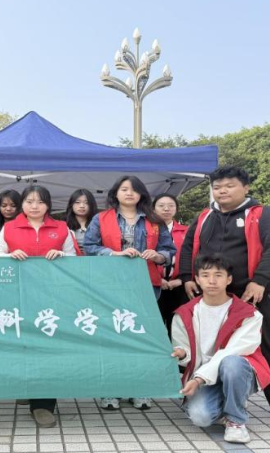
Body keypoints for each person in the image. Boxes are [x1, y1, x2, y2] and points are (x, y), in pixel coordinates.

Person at [177, 165, 270, 426]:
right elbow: (188, 247)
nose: (222, 191)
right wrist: (188, 276)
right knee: (209, 346)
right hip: (214, 295)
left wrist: (260, 280)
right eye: (217, 187)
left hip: (254, 294)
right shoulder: (205, 217)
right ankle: (211, 397)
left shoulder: (262, 214)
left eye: (229, 186)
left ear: (245, 188)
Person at [82, 175, 176, 411]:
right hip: (109, 285)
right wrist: (114, 254)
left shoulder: (154, 220)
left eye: (134, 189)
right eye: (124, 189)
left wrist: (158, 256)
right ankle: (111, 387)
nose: (129, 193)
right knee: (112, 335)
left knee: (141, 335)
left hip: (146, 284)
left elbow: (169, 250)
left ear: (141, 194)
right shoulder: (101, 218)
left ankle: (139, 387)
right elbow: (89, 247)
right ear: (116, 193)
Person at [0, 185, 76, 428]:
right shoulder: (9, 228)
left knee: (48, 346)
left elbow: (74, 259)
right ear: (22, 204)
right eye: (29, 201)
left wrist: (62, 256)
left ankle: (43, 404)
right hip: (16, 295)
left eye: (40, 202)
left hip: (53, 297)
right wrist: (9, 256)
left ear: (48, 205)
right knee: (22, 343)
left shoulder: (62, 228)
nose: (34, 206)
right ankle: (26, 386)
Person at [171, 253, 270, 444]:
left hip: (235, 371)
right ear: (197, 279)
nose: (212, 281)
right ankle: (229, 400)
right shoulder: (184, 314)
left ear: (229, 279)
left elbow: (234, 350)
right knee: (200, 417)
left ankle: (236, 420)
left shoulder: (249, 314)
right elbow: (185, 351)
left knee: (232, 363)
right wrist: (182, 353)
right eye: (205, 275)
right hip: (204, 377)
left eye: (218, 275)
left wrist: (199, 379)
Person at [152, 193, 189, 335]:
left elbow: (193, 257)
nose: (166, 209)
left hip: (179, 285)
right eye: (161, 206)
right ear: (154, 209)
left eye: (171, 205)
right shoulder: (147, 231)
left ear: (176, 209)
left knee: (178, 325)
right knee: (155, 325)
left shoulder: (186, 232)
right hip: (154, 285)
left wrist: (182, 279)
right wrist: (156, 279)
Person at [65, 189, 99, 255]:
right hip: (71, 259)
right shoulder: (63, 225)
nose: (82, 206)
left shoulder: (99, 224)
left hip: (94, 259)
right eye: (77, 202)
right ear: (71, 205)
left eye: (86, 203)